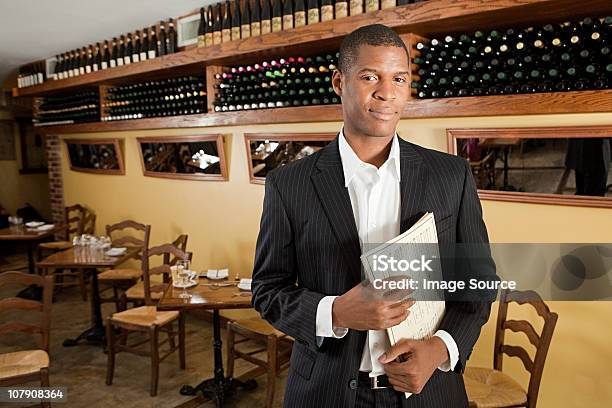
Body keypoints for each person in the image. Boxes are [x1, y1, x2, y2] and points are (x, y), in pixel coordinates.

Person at [252, 24, 497, 407]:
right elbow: (268, 290)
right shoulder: (288, 185)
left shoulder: (452, 176)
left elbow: (478, 282)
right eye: (370, 77)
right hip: (326, 392)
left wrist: (438, 350)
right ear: (339, 81)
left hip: (429, 390)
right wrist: (334, 312)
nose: (386, 92)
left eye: (399, 78)